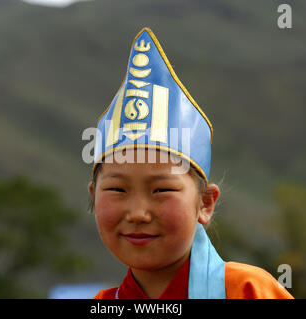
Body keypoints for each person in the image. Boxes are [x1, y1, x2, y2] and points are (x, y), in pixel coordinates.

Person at [88, 27, 293, 299]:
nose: (138, 213)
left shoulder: (248, 291)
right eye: (117, 190)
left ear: (205, 203)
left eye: (161, 190)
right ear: (93, 195)